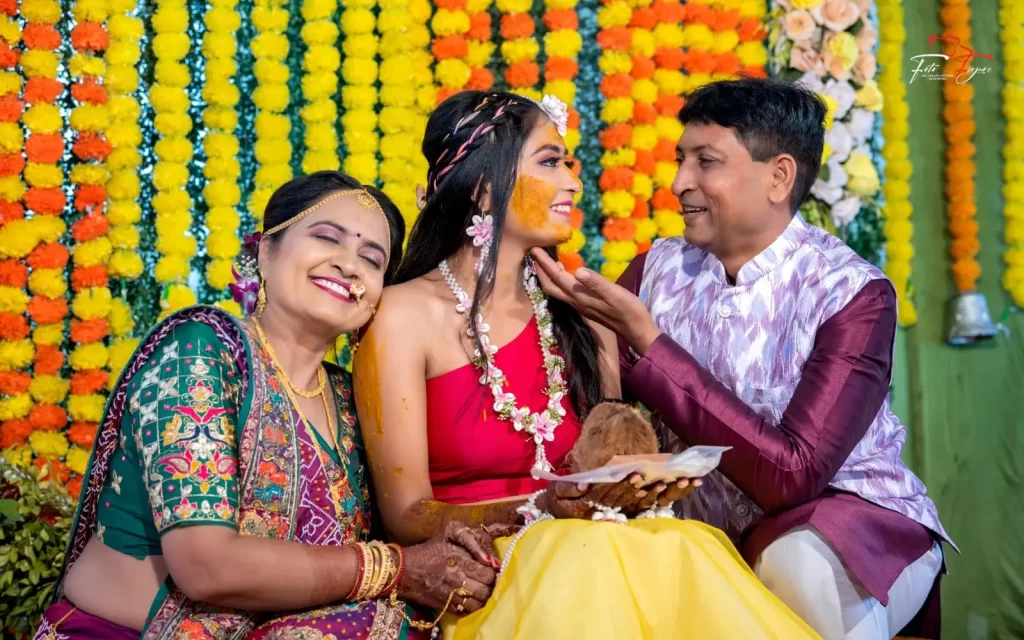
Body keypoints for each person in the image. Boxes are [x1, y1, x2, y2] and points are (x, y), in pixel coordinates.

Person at [353, 90, 820, 638]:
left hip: (604, 549)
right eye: (550, 162)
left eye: (568, 164)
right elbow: (405, 515)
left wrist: (637, 485)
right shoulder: (402, 317)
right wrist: (543, 503)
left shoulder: (583, 317)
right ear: (483, 187)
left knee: (678, 548)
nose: (573, 183)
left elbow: (610, 458)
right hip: (487, 572)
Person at [530, 78, 955, 640]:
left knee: (794, 565)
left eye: (707, 162)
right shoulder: (658, 272)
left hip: (849, 527)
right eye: (681, 159)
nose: (680, 182)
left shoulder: (851, 294)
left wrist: (651, 345)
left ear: (779, 177)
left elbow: (793, 476)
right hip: (700, 537)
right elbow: (599, 403)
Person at [36, 171, 499, 639]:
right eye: (326, 238)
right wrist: (395, 569)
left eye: (372, 259)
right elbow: (206, 564)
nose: (348, 264)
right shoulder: (202, 350)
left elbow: (411, 519)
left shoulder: (349, 398)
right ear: (264, 249)